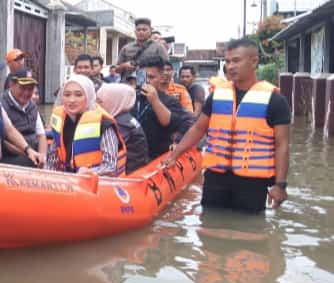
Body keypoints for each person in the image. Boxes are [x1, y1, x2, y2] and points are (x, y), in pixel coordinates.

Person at [162, 38, 291, 214]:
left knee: (251, 231)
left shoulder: (275, 100)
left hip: (252, 183)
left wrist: (280, 185)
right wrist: (174, 155)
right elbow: (198, 129)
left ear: (254, 61)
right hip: (216, 178)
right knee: (209, 226)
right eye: (228, 61)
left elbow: (282, 145)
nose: (230, 66)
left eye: (236, 61)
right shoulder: (217, 96)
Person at [47, 74, 127, 176]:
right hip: (68, 182)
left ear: (88, 96)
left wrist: (90, 172)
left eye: (78, 95)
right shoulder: (60, 121)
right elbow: (52, 160)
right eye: (67, 95)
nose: (71, 100)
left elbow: (110, 166)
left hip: (96, 183)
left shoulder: (104, 123)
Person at [133, 56, 194, 160]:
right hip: (135, 156)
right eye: (143, 77)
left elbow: (169, 123)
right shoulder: (132, 98)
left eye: (152, 77)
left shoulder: (170, 101)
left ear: (161, 77)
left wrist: (155, 101)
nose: (147, 81)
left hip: (157, 158)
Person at [0, 67, 48, 166]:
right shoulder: (0, 104)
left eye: (30, 89)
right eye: (22, 88)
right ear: (11, 85)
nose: (26, 93)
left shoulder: (32, 106)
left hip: (33, 154)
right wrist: (29, 154)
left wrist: (42, 156)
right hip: (12, 156)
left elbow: (41, 135)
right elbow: (3, 141)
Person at [97, 84, 149, 174]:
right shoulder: (125, 118)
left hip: (128, 175)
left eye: (100, 101)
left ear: (113, 102)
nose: (96, 105)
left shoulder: (121, 124)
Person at [115, 18, 169, 83]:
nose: (141, 32)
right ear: (135, 31)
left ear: (150, 31)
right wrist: (124, 66)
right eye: (138, 30)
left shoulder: (159, 47)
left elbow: (167, 68)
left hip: (150, 86)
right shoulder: (126, 48)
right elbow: (116, 69)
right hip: (129, 85)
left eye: (144, 30)